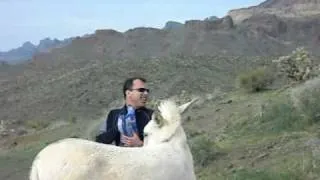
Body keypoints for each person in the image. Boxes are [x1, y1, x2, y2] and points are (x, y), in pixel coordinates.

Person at [95, 77, 153, 147]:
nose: (146, 93)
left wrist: (140, 144)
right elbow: (100, 142)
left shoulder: (152, 115)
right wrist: (118, 127)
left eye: (147, 91)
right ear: (128, 93)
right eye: (141, 90)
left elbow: (160, 147)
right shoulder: (114, 114)